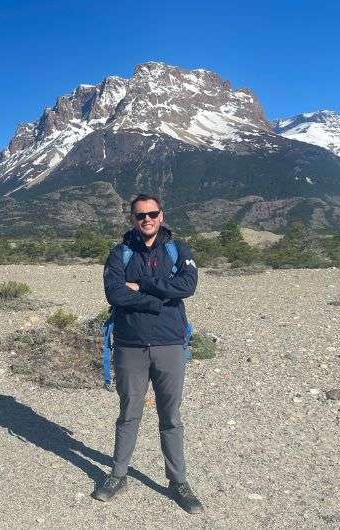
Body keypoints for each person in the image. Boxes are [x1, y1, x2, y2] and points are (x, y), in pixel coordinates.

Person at [92, 193, 203, 514]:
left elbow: (188, 286)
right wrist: (157, 297)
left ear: (161, 216)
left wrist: (142, 285)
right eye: (140, 215)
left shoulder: (177, 250)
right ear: (132, 219)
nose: (147, 219)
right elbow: (114, 294)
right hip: (130, 345)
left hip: (169, 343)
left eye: (152, 214)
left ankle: (178, 481)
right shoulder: (120, 253)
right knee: (129, 413)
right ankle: (118, 475)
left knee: (170, 416)